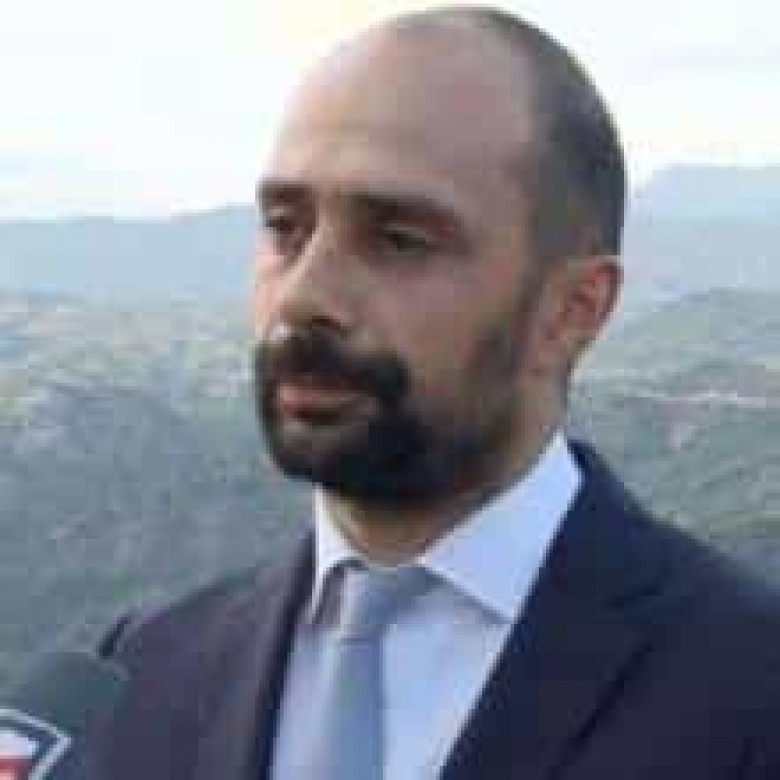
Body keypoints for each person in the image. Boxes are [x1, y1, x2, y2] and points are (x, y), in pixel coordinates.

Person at [87, 6, 780, 779]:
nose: (304, 295)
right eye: (286, 228)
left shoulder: (749, 688)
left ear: (571, 311)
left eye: (398, 240)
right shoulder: (141, 673)